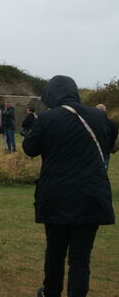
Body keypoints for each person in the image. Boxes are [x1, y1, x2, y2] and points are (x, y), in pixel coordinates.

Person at [23, 75, 115, 297]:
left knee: (55, 250)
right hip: (92, 194)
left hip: (58, 193)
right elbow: (111, 144)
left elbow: (30, 149)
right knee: (81, 256)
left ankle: (51, 292)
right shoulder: (100, 117)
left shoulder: (47, 118)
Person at [95, 103, 118, 170]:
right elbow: (115, 137)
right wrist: (111, 148)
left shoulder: (93, 122)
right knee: (103, 172)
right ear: (105, 111)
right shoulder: (112, 124)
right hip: (106, 151)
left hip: (95, 151)